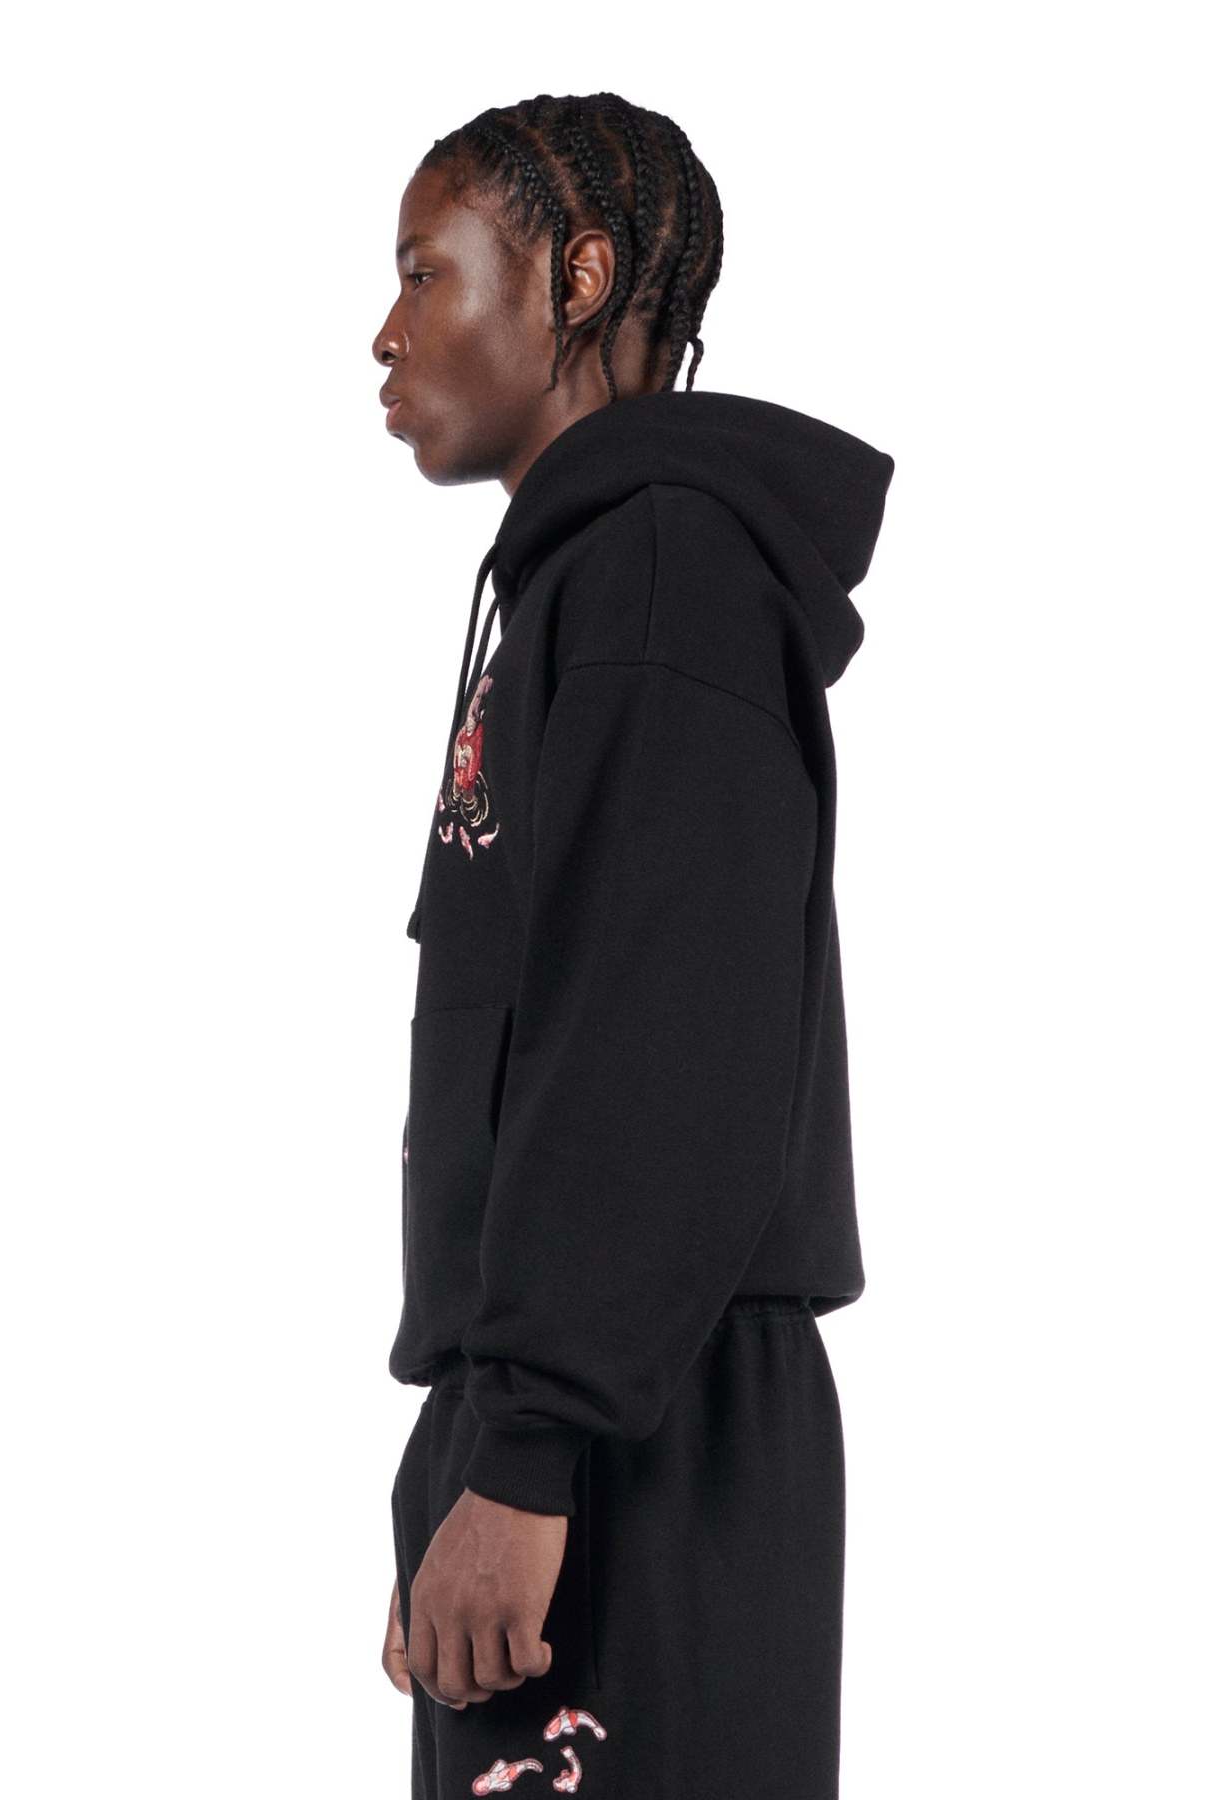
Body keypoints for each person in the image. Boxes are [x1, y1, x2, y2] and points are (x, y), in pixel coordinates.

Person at [371, 92, 894, 1799]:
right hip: (566, 1409)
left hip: (638, 1440)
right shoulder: (586, 585)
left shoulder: (665, 577)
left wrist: (524, 1458)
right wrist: (469, 1450)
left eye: (426, 274)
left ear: (579, 278)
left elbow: (663, 1037)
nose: (386, 332)